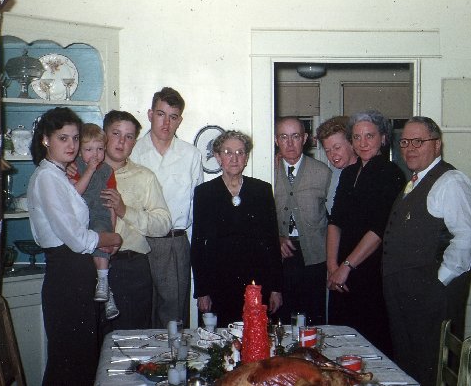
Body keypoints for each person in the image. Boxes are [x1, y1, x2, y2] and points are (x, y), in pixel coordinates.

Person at [382, 116, 471, 386]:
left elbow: (469, 239)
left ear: (437, 145)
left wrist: (438, 281)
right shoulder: (415, 180)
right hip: (408, 295)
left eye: (418, 141)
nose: (410, 148)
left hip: (431, 296)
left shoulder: (450, 181)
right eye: (404, 142)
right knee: (409, 364)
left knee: (431, 368)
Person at [27, 107, 122, 386]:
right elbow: (77, 238)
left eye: (75, 138)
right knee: (70, 362)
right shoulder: (46, 178)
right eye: (63, 138)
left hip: (76, 274)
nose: (72, 145)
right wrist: (112, 239)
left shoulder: (57, 175)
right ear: (46, 140)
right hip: (66, 274)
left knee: (80, 359)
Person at [326, 110, 405, 356]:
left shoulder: (390, 174)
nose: (363, 143)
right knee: (340, 344)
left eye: (369, 136)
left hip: (370, 271)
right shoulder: (349, 174)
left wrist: (346, 266)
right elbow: (334, 222)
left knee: (370, 345)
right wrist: (331, 267)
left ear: (382, 138)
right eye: (357, 137)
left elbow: (378, 229)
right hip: (340, 273)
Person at [191, 130, 282, 327]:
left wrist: (276, 288)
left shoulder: (262, 190)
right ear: (217, 157)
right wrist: (202, 291)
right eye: (228, 152)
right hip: (218, 283)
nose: (234, 158)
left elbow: (272, 242)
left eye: (240, 152)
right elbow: (198, 244)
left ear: (247, 158)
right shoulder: (204, 193)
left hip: (256, 282)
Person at [130, 87, 203, 328]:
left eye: (173, 117)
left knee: (173, 316)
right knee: (138, 312)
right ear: (150, 114)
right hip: (138, 241)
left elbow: (196, 203)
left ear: (179, 120)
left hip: (174, 242)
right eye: (161, 114)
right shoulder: (132, 151)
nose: (166, 123)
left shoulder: (190, 155)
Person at [100, 110, 172, 330]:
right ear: (104, 135)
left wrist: (125, 210)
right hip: (89, 268)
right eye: (116, 133)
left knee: (131, 342)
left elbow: (163, 223)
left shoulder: (144, 177)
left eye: (129, 137)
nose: (122, 142)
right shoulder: (83, 174)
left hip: (130, 269)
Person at [274, 117, 331, 325]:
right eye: (284, 137)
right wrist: (275, 237)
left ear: (305, 138)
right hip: (279, 257)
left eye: (295, 136)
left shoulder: (323, 173)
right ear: (276, 140)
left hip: (314, 257)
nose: (289, 143)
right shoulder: (266, 172)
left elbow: (335, 219)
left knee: (313, 320)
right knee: (281, 318)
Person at [68, 123, 120, 320]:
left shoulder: (107, 171)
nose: (95, 155)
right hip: (81, 218)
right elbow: (75, 193)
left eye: (99, 149)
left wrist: (111, 231)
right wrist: (88, 170)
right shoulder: (74, 168)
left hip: (99, 217)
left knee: (100, 234)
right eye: (89, 150)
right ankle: (108, 294)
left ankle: (104, 285)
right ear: (79, 151)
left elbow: (110, 204)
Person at [315, 116, 358, 214]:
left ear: (352, 144)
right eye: (327, 150)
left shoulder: (365, 173)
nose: (332, 155)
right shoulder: (329, 174)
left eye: (337, 147)